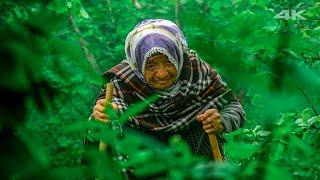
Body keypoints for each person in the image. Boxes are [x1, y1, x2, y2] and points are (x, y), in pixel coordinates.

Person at [91, 19, 245, 161]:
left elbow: (234, 108)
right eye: (151, 65)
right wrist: (102, 117)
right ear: (138, 64)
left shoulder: (196, 70)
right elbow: (98, 128)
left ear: (178, 56)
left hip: (197, 161)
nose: (162, 73)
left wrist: (221, 122)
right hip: (144, 164)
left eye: (169, 62)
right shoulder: (123, 82)